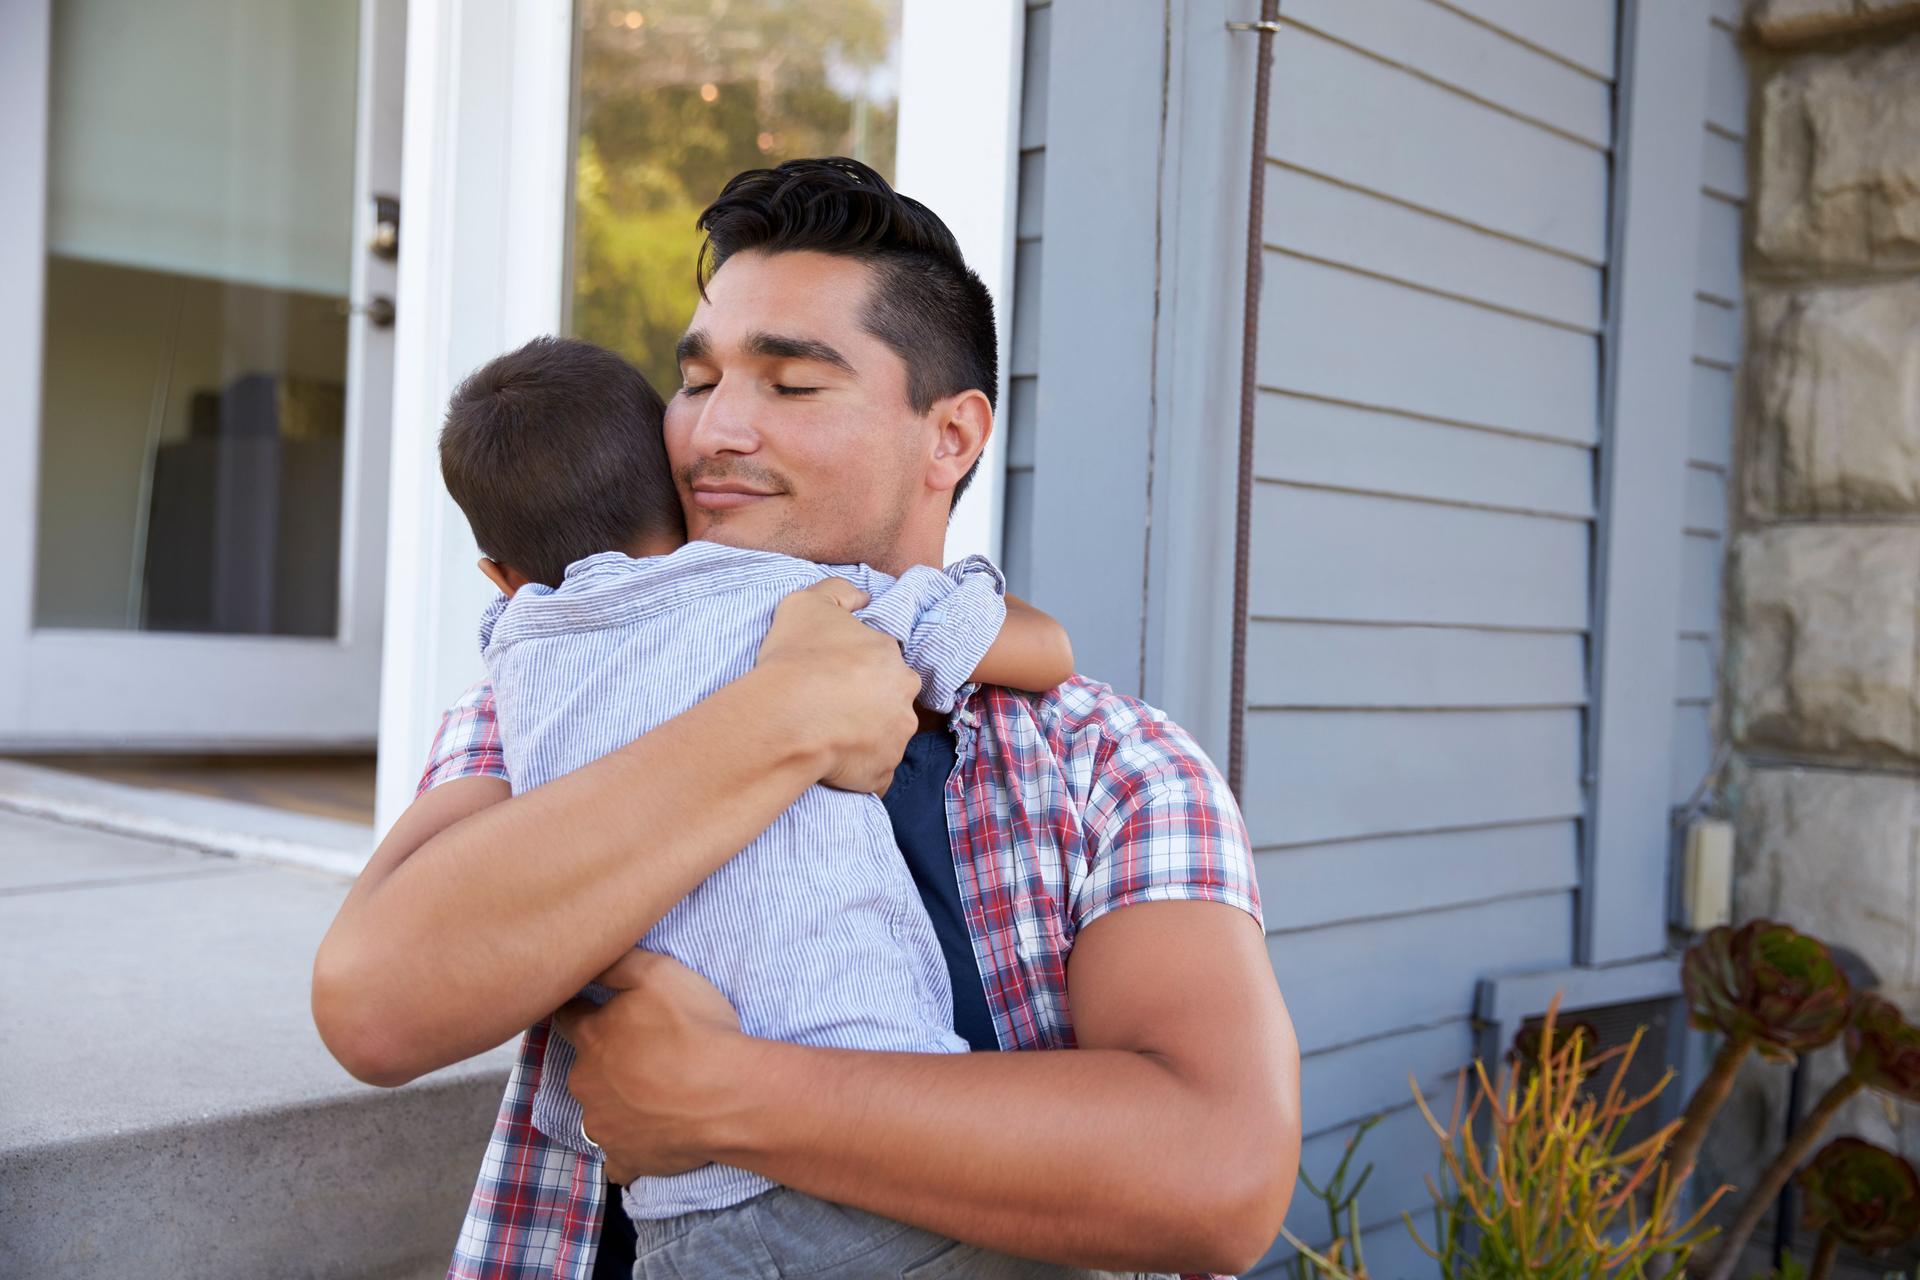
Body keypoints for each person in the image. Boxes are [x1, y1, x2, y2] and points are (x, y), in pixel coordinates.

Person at [312, 157, 1300, 1280]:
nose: (712, 431)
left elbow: (1220, 1173)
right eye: (696, 380)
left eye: (791, 385)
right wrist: (781, 716)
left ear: (953, 438)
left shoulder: (1111, 766)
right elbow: (377, 1005)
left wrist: (725, 1095)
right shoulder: (548, 690)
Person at [438, 333, 1099, 1276]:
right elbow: (1042, 651)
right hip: (878, 1157)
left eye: (789, 384)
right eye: (699, 385)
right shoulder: (781, 596)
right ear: (683, 500)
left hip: (675, 1207)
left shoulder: (512, 662)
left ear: (499, 578)